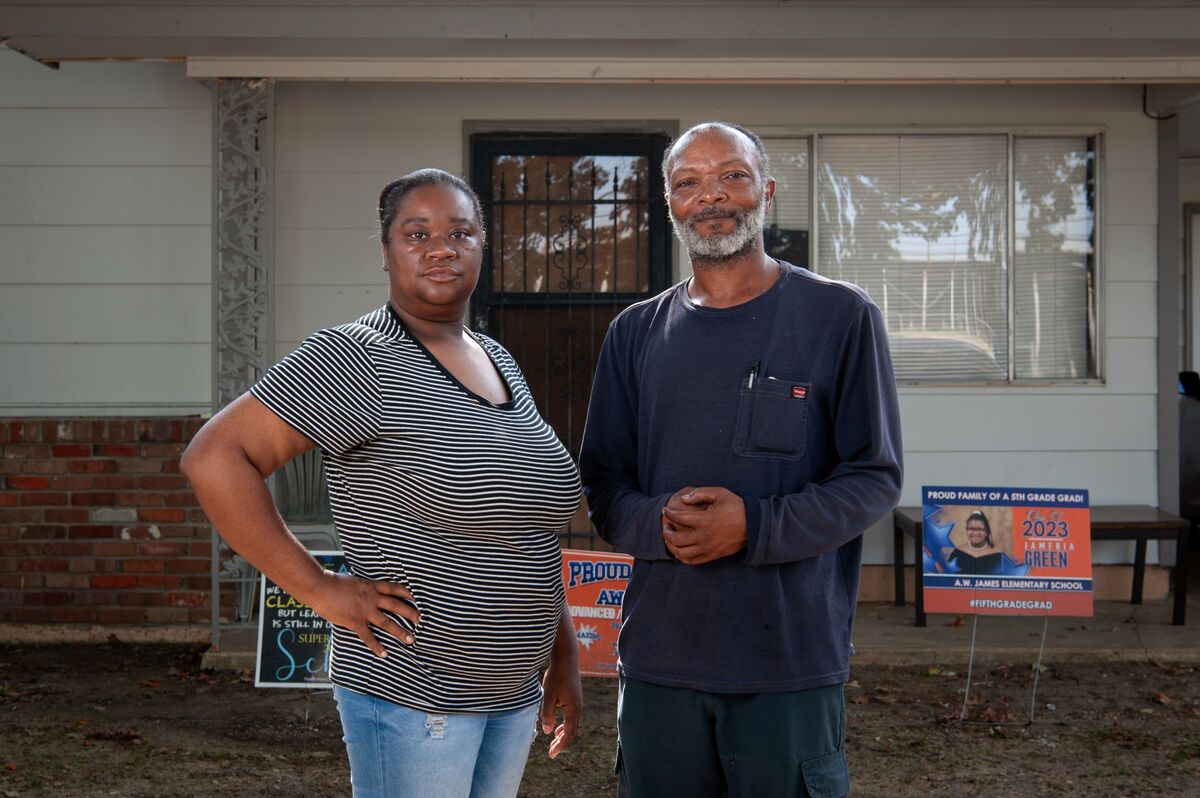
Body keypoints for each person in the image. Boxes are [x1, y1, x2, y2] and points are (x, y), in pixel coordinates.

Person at [181, 169, 583, 798]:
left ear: (483, 246)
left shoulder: (497, 359)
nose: (440, 247)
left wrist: (562, 656)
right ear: (386, 251)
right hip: (416, 692)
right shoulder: (355, 356)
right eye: (416, 233)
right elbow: (214, 457)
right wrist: (318, 587)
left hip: (512, 695)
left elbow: (524, 525)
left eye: (460, 232)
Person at [579, 122, 903, 797]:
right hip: (660, 659)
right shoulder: (635, 333)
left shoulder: (839, 317)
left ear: (767, 191)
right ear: (669, 204)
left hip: (787, 660)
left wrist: (754, 526)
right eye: (688, 182)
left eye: (732, 175)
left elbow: (874, 478)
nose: (712, 196)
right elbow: (605, 481)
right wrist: (660, 523)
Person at [948, 510, 1003, 576]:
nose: (975, 533)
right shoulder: (958, 553)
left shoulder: (997, 556)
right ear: (967, 530)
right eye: (971, 529)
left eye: (979, 529)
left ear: (987, 532)